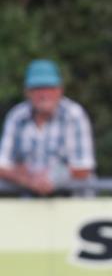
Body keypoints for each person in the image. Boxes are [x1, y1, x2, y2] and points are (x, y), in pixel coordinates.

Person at [0, 59, 96, 196]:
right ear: (27, 92)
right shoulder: (16, 117)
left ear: (60, 90)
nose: (44, 94)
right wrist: (27, 180)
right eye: (37, 88)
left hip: (73, 204)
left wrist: (50, 179)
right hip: (29, 206)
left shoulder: (74, 115)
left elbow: (84, 167)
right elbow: (2, 166)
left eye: (49, 88)